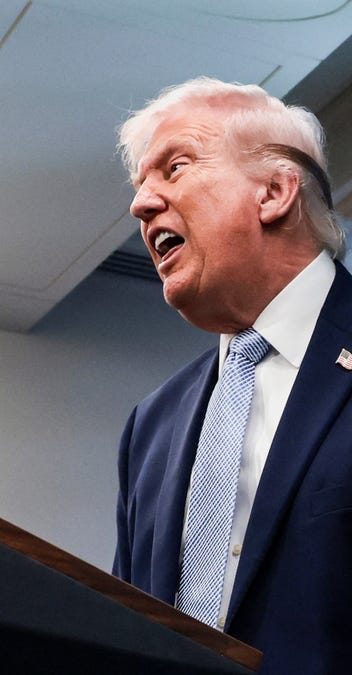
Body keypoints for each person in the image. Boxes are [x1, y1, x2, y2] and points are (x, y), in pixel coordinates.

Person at [112, 76, 350, 675]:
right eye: (141, 184)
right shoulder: (152, 424)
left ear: (273, 191)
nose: (141, 204)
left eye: (175, 167)